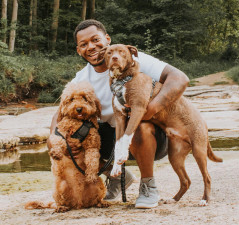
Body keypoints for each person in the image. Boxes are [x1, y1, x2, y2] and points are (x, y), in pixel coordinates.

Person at [48, 19, 189, 209]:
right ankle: (115, 176)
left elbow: (179, 78)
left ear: (107, 39)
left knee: (141, 125)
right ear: (79, 50)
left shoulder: (134, 59)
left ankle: (148, 186)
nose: (91, 47)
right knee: (72, 136)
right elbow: (59, 115)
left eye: (95, 40)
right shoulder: (81, 78)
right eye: (84, 44)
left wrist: (151, 109)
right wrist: (53, 138)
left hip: (151, 138)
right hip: (112, 139)